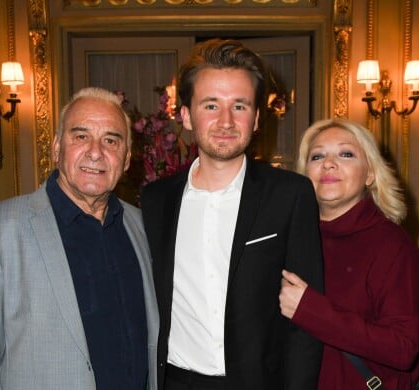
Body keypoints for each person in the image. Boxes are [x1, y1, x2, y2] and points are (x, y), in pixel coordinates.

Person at [140, 38, 324, 390]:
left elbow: (306, 320)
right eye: (211, 105)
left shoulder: (290, 195)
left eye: (239, 106)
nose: (226, 120)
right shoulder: (155, 200)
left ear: (256, 118)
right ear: (185, 115)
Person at [0, 87, 158, 390]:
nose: (95, 151)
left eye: (111, 140)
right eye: (80, 136)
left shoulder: (144, 227)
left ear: (127, 159)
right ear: (55, 148)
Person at [279, 118, 419, 389]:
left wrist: (309, 309)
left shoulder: (391, 245)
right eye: (317, 156)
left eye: (346, 154)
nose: (328, 163)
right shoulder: (289, 241)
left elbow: (403, 348)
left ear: (370, 174)